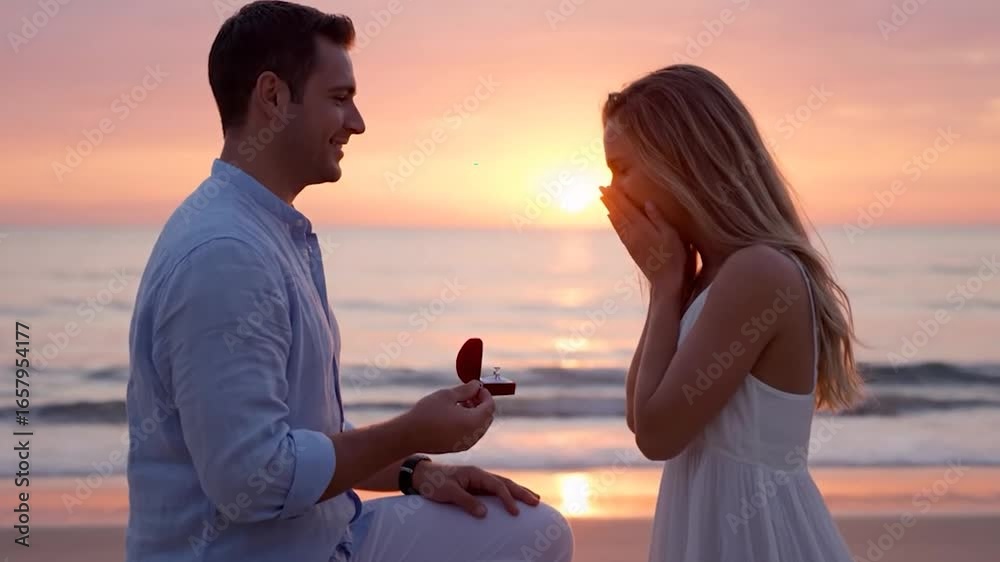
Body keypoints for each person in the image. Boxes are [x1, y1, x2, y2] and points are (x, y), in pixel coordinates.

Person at [124, 2, 573, 561]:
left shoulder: (268, 233)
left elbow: (302, 436)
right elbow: (253, 480)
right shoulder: (225, 255)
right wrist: (410, 432)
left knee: (530, 528)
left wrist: (417, 471)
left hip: (328, 536)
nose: (357, 123)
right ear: (273, 97)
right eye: (339, 99)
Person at [599, 64, 863, 562]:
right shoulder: (710, 274)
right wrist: (666, 286)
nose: (613, 191)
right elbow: (639, 414)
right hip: (713, 519)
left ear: (681, 161)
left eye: (623, 169)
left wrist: (664, 290)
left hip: (754, 532)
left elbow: (657, 435)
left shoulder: (757, 272)